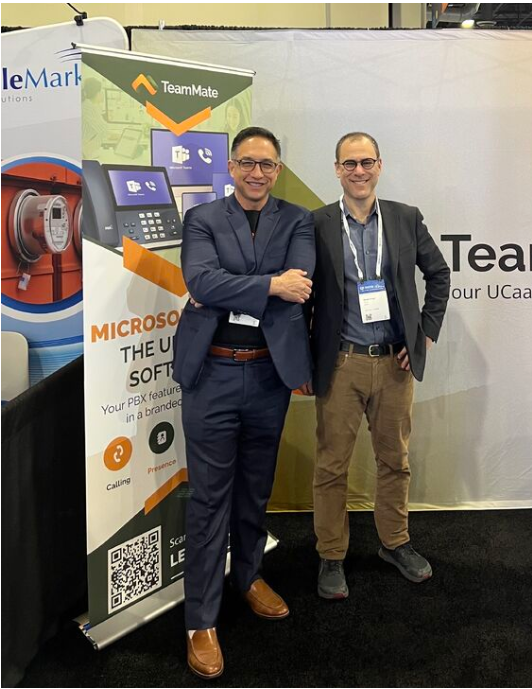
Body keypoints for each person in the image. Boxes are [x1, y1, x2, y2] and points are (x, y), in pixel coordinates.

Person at [172, 126, 314, 679]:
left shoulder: (297, 220)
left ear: (277, 170)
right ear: (231, 167)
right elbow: (201, 282)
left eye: (267, 164)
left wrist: (247, 283)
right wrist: (270, 285)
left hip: (269, 376)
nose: (257, 173)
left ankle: (249, 576)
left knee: (256, 488)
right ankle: (200, 620)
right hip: (213, 374)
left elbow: (302, 283)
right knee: (209, 499)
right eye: (248, 162)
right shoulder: (202, 218)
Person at [302, 132, 451, 600]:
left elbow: (439, 274)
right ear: (337, 169)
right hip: (340, 364)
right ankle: (331, 554)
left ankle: (395, 543)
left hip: (394, 366)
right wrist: (303, 358)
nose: (359, 171)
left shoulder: (405, 218)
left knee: (395, 461)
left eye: (367, 162)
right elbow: (302, 296)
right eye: (350, 163)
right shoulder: (317, 223)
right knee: (332, 466)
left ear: (380, 166)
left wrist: (424, 334)